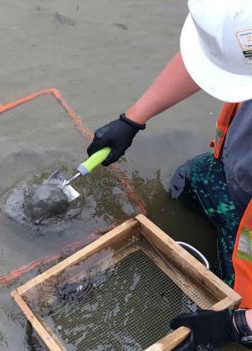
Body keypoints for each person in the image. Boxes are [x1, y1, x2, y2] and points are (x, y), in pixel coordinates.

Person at [86, 0, 252, 349]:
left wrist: (236, 326)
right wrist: (132, 119)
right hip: (238, 182)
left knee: (226, 316)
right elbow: (216, 56)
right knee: (191, 179)